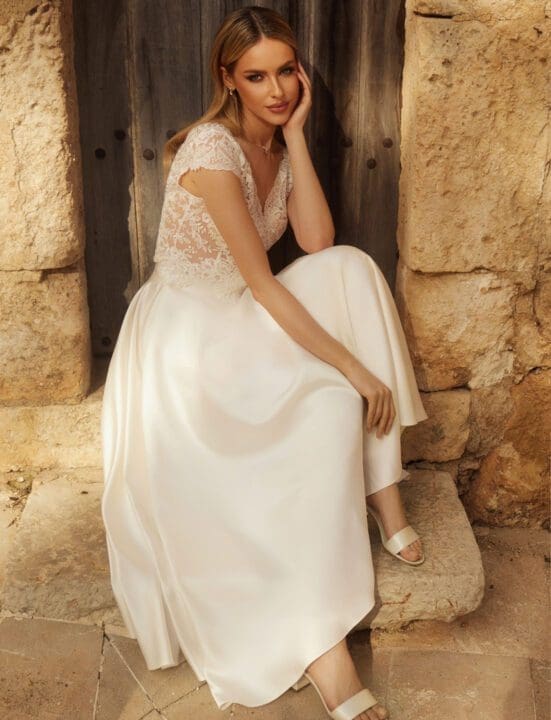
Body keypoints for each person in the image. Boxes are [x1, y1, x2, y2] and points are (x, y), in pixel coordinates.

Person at [100, 6, 428, 720]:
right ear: (228, 78)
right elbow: (262, 281)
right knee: (328, 404)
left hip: (243, 314)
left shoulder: (277, 141)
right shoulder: (211, 151)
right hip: (188, 339)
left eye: (285, 72)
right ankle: (323, 652)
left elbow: (315, 240)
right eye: (256, 76)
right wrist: (354, 369)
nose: (276, 90)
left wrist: (297, 137)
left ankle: (383, 492)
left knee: (349, 268)